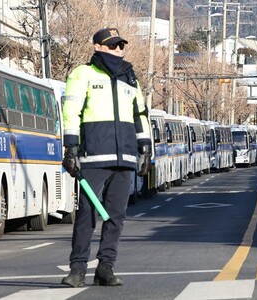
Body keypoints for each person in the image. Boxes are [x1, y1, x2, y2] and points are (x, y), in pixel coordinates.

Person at [61, 28, 152, 287]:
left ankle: (105, 268)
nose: (119, 50)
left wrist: (144, 148)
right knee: (87, 214)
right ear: (98, 47)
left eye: (121, 45)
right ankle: (77, 269)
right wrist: (71, 149)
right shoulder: (83, 74)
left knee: (116, 216)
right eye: (113, 45)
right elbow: (71, 112)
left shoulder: (130, 78)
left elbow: (140, 115)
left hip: (125, 157)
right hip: (93, 157)